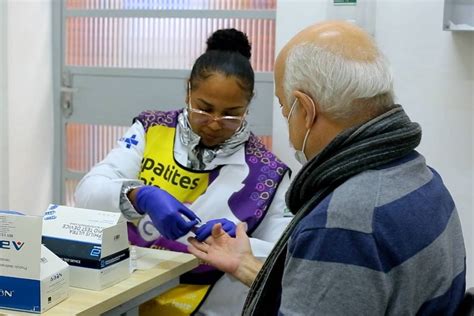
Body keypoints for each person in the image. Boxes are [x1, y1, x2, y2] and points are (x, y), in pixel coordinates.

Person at [187, 21, 467, 315]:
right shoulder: (422, 179)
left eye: (285, 110)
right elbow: (345, 296)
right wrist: (246, 264)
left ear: (305, 110)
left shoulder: (343, 221)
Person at [74, 28, 292, 315]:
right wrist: (139, 195)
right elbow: (88, 193)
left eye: (231, 115)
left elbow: (286, 257)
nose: (214, 123)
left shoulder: (267, 172)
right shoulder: (152, 130)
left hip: (207, 304)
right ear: (188, 90)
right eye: (204, 108)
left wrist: (243, 243)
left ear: (248, 106)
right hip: (126, 293)